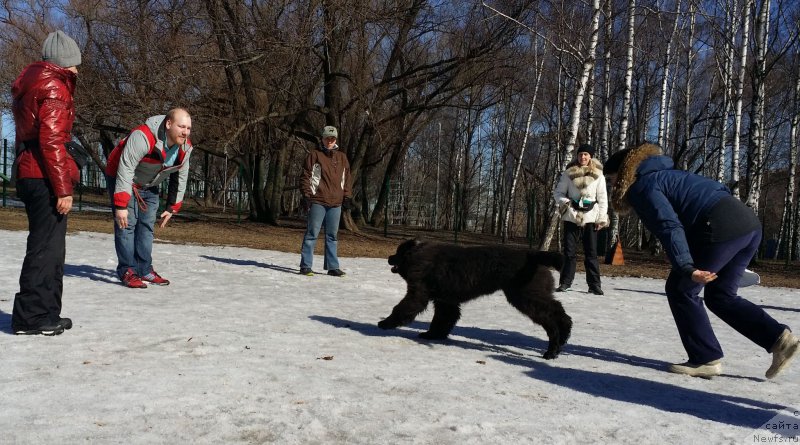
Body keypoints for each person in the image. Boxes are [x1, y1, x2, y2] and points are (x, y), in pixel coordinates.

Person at [603, 142, 799, 379]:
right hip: (748, 224)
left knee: (681, 289)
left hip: (719, 228)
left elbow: (669, 227)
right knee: (721, 296)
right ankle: (781, 341)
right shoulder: (668, 174)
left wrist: (687, 267)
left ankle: (705, 358)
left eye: (611, 179)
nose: (611, 186)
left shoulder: (643, 186)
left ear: (624, 173)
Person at [10, 30, 82, 335]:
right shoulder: (54, 86)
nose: (78, 71)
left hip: (33, 171)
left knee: (51, 247)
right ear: (64, 62)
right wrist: (63, 189)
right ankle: (32, 316)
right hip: (43, 175)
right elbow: (51, 140)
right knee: (45, 247)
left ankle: (47, 311)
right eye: (76, 64)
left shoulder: (34, 83)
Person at [105, 108, 193, 288]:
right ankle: (128, 270)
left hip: (149, 183)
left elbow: (181, 175)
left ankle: (144, 269)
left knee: (146, 226)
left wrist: (172, 207)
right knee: (127, 225)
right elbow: (126, 167)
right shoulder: (143, 136)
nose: (185, 132)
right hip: (123, 178)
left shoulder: (185, 148)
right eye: (181, 126)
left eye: (189, 128)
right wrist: (121, 205)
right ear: (169, 124)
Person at [552, 144, 609, 295]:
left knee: (591, 253)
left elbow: (603, 198)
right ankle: (565, 282)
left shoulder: (599, 175)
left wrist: (601, 218)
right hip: (572, 216)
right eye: (580, 154)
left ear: (590, 156)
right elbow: (558, 193)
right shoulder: (568, 173)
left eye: (586, 155)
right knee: (569, 252)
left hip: (591, 217)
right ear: (577, 156)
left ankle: (594, 285)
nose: (583, 157)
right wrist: (567, 204)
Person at [298, 125, 352, 277]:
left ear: (335, 140)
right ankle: (306, 265)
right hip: (317, 201)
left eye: (332, 138)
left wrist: (347, 196)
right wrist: (307, 195)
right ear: (322, 138)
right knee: (312, 233)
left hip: (336, 203)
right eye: (327, 138)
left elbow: (347, 178)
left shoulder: (342, 157)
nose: (330, 141)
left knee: (332, 236)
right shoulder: (314, 155)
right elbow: (305, 176)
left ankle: (332, 267)